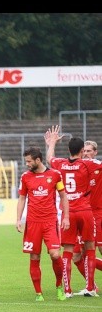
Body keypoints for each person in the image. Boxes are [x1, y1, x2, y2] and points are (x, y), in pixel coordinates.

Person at [45, 126, 101, 298]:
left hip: (68, 213)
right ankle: (90, 287)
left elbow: (49, 159)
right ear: (83, 151)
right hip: (85, 211)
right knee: (90, 247)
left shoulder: (60, 164)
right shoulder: (87, 163)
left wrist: (52, 142)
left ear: (68, 150)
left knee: (68, 251)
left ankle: (67, 290)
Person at [16, 147, 69, 301]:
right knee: (34, 256)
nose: (26, 164)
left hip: (50, 221)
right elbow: (22, 199)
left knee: (55, 254)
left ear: (38, 160)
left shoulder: (55, 175)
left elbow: (63, 197)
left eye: (29, 161)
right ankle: (38, 293)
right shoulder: (25, 177)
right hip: (33, 223)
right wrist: (18, 218)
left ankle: (59, 286)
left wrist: (66, 217)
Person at [72, 140, 102, 295]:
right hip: (81, 214)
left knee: (96, 250)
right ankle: (92, 286)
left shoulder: (98, 166)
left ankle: (90, 287)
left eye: (90, 151)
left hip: (97, 214)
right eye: (85, 151)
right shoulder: (79, 169)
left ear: (95, 152)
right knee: (76, 255)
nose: (86, 154)